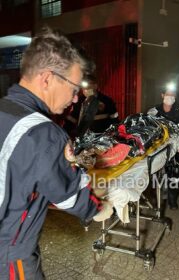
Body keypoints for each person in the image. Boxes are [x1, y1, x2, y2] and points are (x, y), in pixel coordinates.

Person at [0, 27, 112, 279]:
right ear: (47, 78)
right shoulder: (43, 134)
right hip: (8, 254)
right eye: (73, 89)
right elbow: (69, 196)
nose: (74, 99)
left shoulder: (4, 110)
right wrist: (99, 207)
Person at [147, 83, 179, 210]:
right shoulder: (154, 110)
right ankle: (152, 200)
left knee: (174, 174)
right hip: (156, 147)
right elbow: (147, 126)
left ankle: (172, 199)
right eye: (167, 94)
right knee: (151, 172)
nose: (170, 97)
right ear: (162, 95)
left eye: (172, 95)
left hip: (172, 147)